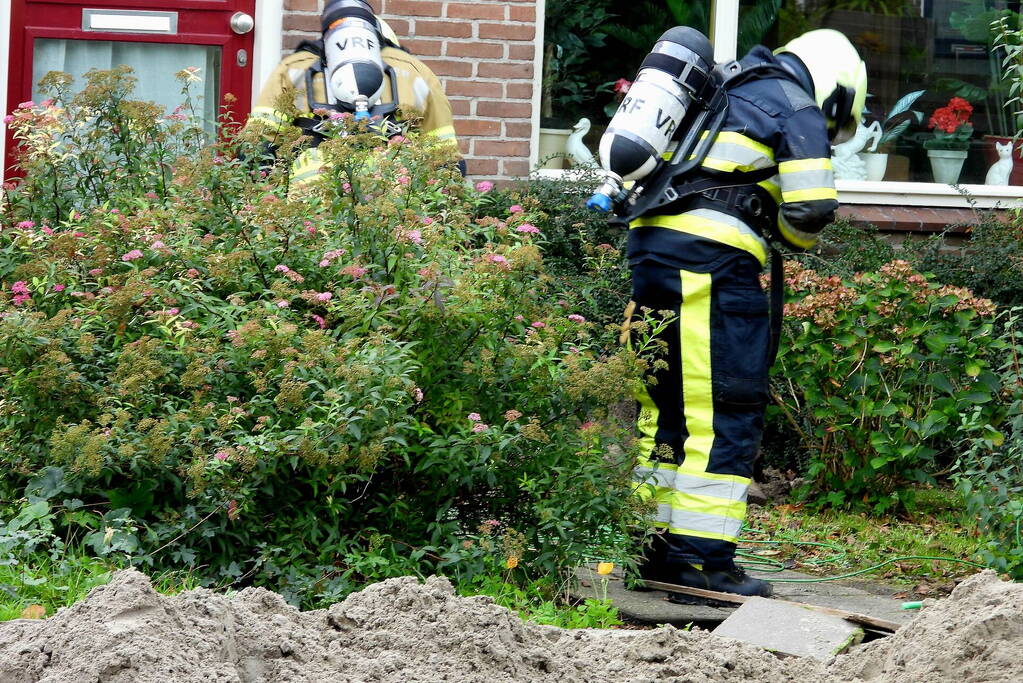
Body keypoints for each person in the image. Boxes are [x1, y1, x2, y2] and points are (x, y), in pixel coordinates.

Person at [623, 29, 867, 598]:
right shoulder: (794, 103)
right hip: (711, 270)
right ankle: (701, 565)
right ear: (834, 89)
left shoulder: (725, 88)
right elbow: (811, 209)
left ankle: (655, 551)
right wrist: (778, 228)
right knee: (722, 411)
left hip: (653, 258)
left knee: (665, 411)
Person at [245, 0, 462, 188]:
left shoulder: (295, 68)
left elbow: (255, 146)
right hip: (391, 200)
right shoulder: (416, 71)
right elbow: (445, 153)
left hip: (310, 202)